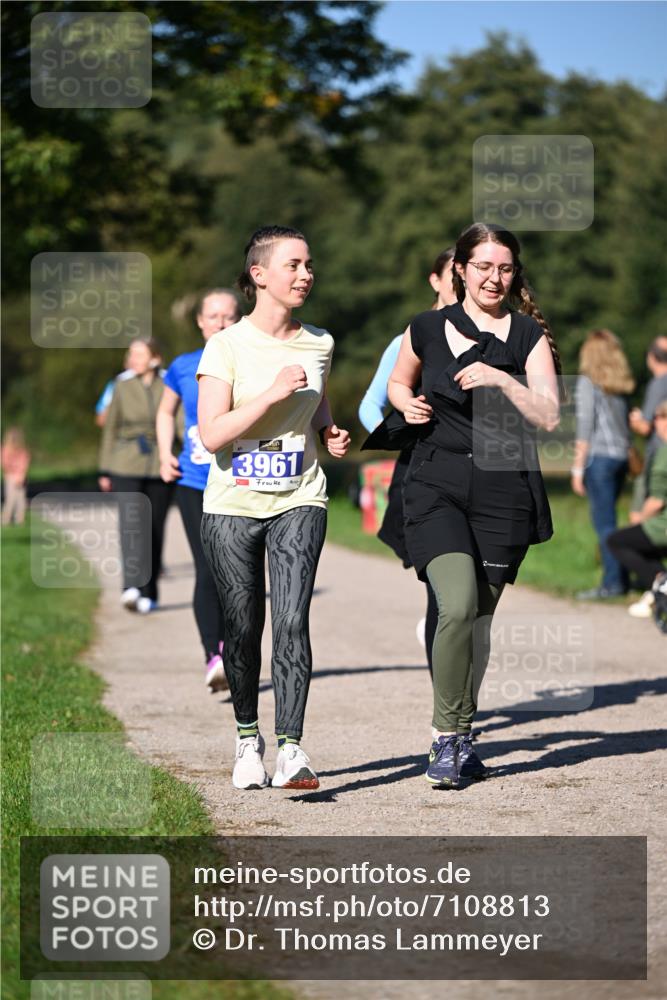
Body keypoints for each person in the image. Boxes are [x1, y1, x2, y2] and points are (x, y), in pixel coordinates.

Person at [387, 222, 560, 789]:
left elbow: (549, 415)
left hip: (503, 487)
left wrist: (501, 380)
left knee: (479, 621)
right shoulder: (427, 327)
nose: (494, 277)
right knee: (456, 605)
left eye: (505, 268)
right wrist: (407, 404)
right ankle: (446, 736)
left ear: (515, 273)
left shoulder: (528, 335)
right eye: (483, 266)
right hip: (435, 481)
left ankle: (462, 735)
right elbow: (397, 381)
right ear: (460, 268)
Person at [197, 226, 350, 791]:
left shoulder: (320, 342)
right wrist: (269, 397)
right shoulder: (227, 347)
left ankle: (291, 749)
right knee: (242, 627)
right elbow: (213, 435)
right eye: (293, 265)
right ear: (259, 275)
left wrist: (327, 428)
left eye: (309, 264)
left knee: (290, 619)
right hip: (232, 503)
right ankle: (246, 739)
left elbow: (315, 400)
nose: (306, 274)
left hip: (299, 496)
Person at [359, 248, 457, 669]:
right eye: (454, 274)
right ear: (434, 280)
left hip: (471, 467)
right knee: (438, 576)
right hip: (420, 466)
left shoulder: (490, 334)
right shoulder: (411, 337)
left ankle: (440, 627)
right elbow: (370, 404)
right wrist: (401, 427)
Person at [157, 289, 241, 692]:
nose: (221, 323)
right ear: (200, 322)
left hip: (241, 481)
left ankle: (236, 651)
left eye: (228, 316)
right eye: (213, 316)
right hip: (194, 482)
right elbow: (164, 412)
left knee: (240, 573)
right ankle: (215, 653)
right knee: (208, 567)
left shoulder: (248, 361)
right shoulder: (183, 365)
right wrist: (163, 454)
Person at [99, 338, 172, 614]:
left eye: (139, 354)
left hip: (160, 463)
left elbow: (177, 420)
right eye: (131, 354)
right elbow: (110, 428)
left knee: (154, 529)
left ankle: (149, 591)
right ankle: (130, 586)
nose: (133, 359)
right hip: (125, 463)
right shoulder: (121, 384)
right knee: (131, 526)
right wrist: (105, 468)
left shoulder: (167, 382)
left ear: (155, 358)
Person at [571, 330, 635, 600]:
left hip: (599, 459)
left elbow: (585, 426)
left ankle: (612, 584)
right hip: (620, 458)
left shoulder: (588, 384)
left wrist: (576, 467)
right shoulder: (620, 387)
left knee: (605, 525)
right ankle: (621, 578)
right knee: (612, 522)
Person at [608, 399, 667, 619]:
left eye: (659, 417)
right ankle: (657, 588)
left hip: (663, 525)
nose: (655, 423)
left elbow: (657, 501)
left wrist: (640, 520)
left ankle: (661, 581)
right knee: (641, 542)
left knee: (617, 540)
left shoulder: (664, 453)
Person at [1, 427, 31, 526]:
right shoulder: (5, 450)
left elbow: (24, 463)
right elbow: (5, 463)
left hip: (20, 476)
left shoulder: (22, 451)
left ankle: (19, 519)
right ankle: (6, 519)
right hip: (10, 476)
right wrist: (14, 472)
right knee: (11, 499)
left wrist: (21, 475)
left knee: (21, 500)